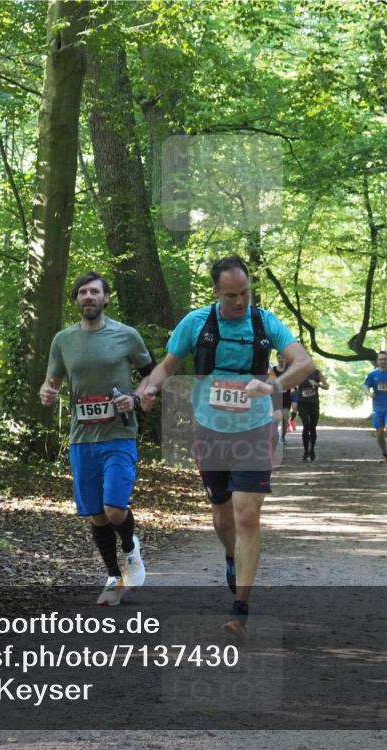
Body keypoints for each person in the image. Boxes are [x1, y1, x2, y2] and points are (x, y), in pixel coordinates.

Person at [137, 255, 314, 638]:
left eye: (245, 292)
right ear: (216, 292)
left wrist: (272, 387)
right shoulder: (197, 323)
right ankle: (231, 555)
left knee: (247, 514)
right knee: (223, 517)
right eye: (232, 294)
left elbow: (303, 362)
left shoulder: (265, 322)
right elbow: (168, 365)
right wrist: (151, 386)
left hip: (254, 429)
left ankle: (240, 607)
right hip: (210, 431)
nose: (240, 300)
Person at [39, 271, 155, 606]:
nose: (88, 297)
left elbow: (151, 375)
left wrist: (134, 399)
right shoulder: (63, 340)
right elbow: (52, 383)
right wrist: (47, 392)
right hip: (81, 438)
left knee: (114, 507)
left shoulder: (126, 336)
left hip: (119, 434)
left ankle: (131, 549)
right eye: (82, 293)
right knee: (96, 515)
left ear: (106, 298)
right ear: (76, 300)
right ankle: (113, 578)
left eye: (94, 292)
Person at [363, 350, 387, 463]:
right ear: (377, 361)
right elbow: (365, 386)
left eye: (385, 359)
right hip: (377, 408)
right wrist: (369, 393)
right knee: (379, 434)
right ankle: (384, 454)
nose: (383, 361)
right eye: (381, 359)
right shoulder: (373, 374)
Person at [295, 367, 329, 461]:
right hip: (302, 403)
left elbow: (327, 386)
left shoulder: (317, 373)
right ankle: (306, 451)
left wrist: (317, 384)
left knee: (313, 427)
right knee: (306, 425)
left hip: (314, 403)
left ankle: (312, 449)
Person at [271, 352, 294, 446]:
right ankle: (274, 436)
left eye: (282, 358)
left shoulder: (289, 369)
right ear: (277, 358)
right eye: (279, 358)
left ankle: (283, 436)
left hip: (286, 397)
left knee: (284, 417)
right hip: (276, 397)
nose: (281, 359)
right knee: (276, 419)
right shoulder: (274, 369)